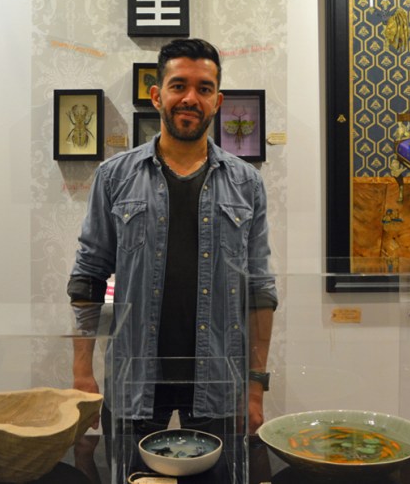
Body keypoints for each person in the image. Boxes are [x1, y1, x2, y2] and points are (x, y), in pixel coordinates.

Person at [67, 38, 277, 440]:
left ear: (217, 101)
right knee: (129, 472)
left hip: (220, 386)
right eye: (178, 85)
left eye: (204, 88)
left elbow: (260, 291)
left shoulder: (247, 184)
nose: (190, 98)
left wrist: (256, 386)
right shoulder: (113, 177)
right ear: (156, 95)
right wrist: (82, 372)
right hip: (133, 382)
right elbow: (88, 277)